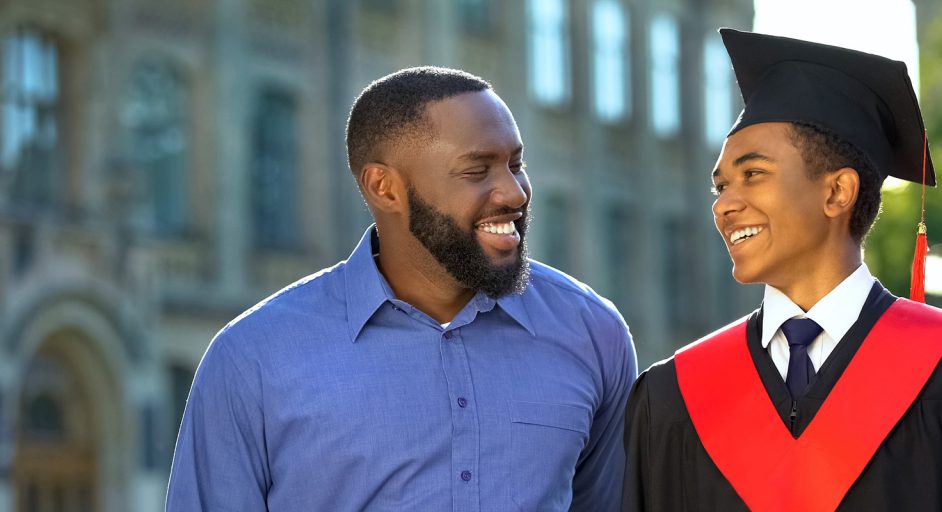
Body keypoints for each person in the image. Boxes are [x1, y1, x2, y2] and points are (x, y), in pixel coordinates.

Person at [167, 67, 637, 511]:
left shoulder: (592, 333)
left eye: (515, 164)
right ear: (385, 188)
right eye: (477, 171)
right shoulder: (252, 359)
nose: (514, 193)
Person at [623, 29, 942, 511]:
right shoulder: (673, 397)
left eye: (753, 175)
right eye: (720, 187)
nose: (725, 206)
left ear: (837, 192)